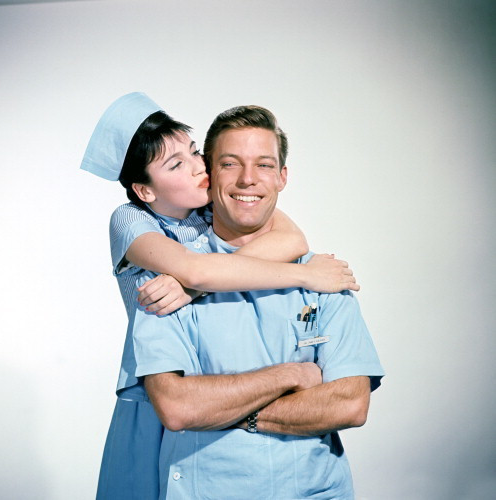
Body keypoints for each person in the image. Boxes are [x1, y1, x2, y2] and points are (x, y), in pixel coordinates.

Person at [80, 93, 360, 499]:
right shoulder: (130, 219)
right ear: (144, 190)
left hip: (206, 390)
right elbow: (196, 269)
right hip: (151, 395)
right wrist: (302, 274)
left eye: (194, 153)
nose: (199, 168)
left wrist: (188, 287)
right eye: (176, 165)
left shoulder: (209, 203)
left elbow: (291, 238)